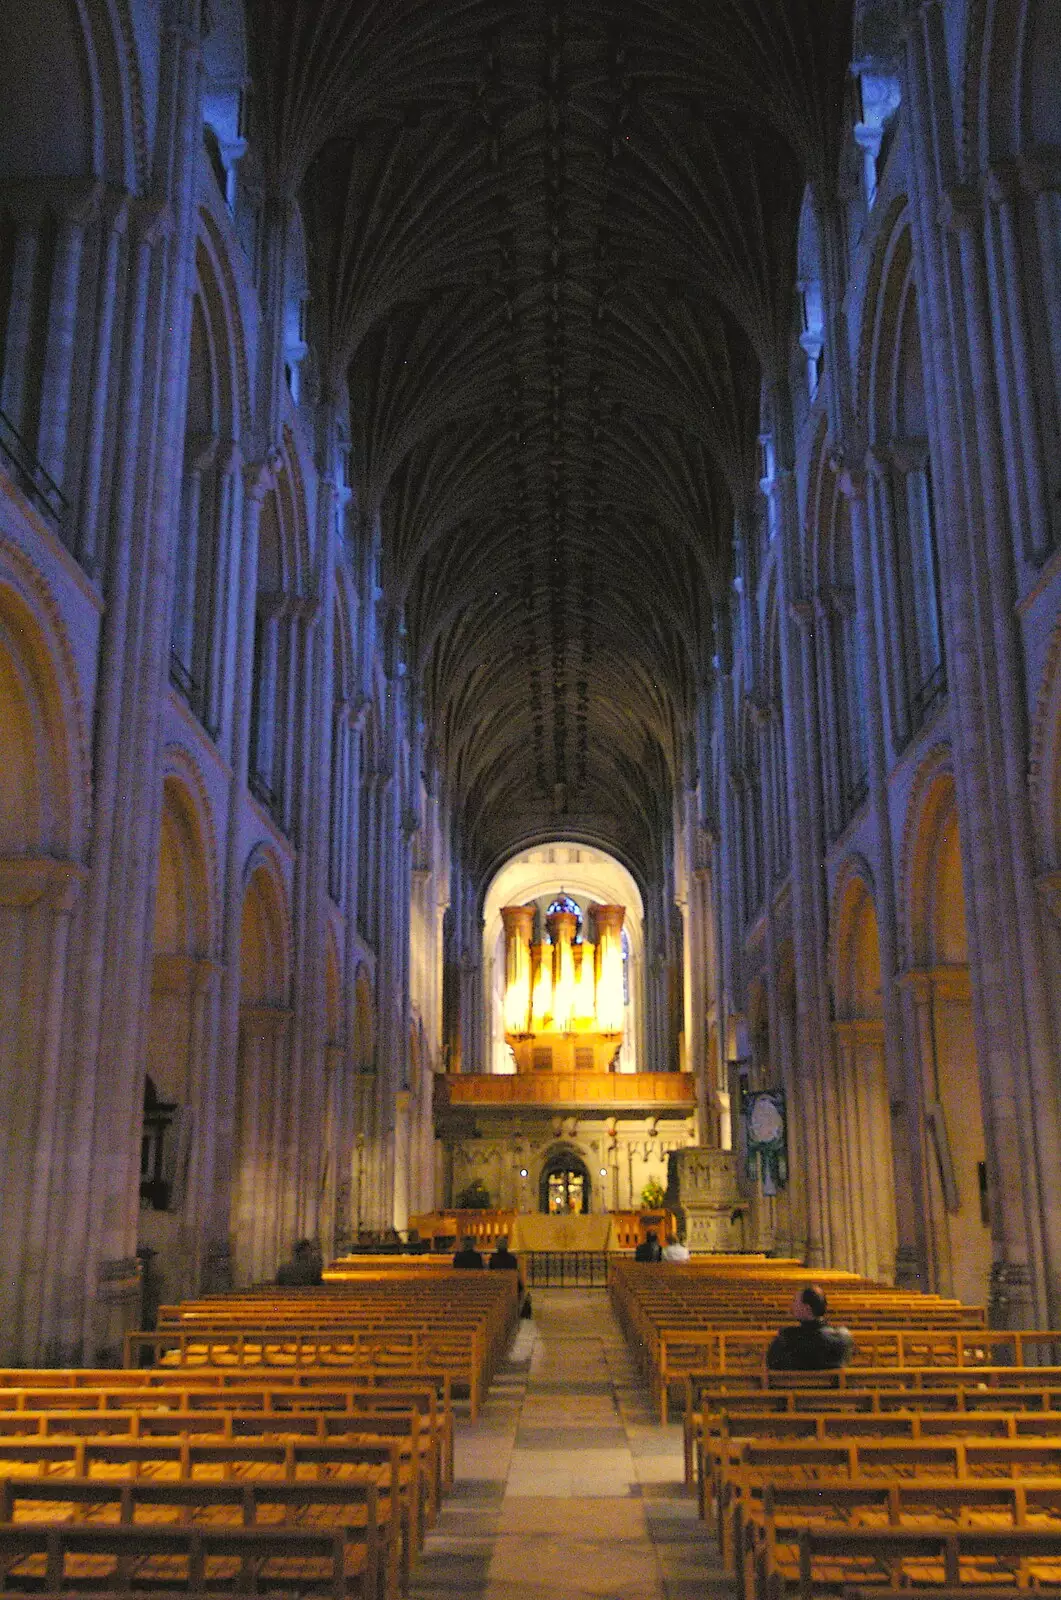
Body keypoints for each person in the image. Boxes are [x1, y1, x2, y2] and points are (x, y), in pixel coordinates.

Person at [766, 1284, 853, 1371]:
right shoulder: (842, 1337)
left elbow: (772, 1364)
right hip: (831, 1385)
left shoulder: (787, 1338)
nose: (792, 1306)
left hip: (796, 1384)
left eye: (795, 1301)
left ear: (807, 1308)